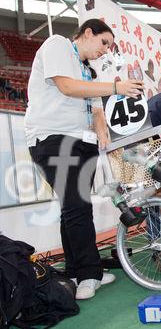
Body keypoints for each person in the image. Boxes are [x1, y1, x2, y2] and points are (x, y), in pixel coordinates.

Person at [24, 19, 144, 300]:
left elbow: (96, 108)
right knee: (77, 207)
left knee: (73, 208)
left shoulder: (88, 71)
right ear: (87, 33)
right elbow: (67, 87)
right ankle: (90, 273)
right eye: (104, 42)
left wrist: (102, 132)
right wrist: (115, 88)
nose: (106, 50)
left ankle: (75, 271)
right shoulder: (58, 45)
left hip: (82, 142)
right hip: (53, 138)